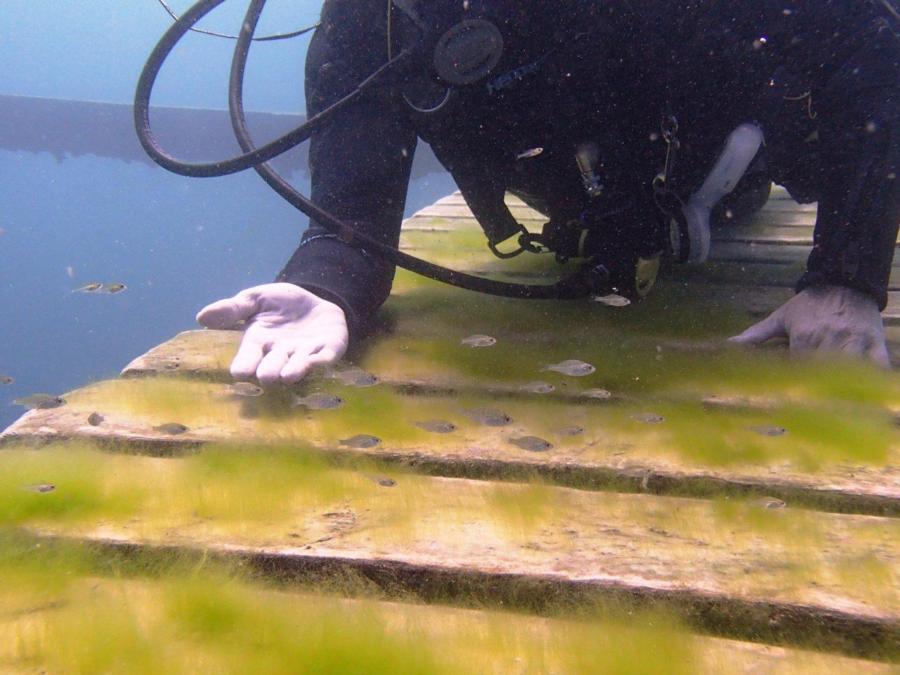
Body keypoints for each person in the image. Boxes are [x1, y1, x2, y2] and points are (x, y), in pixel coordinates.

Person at [197, 0, 899, 384]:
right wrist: (326, 287)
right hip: (586, 209)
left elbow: (871, 36)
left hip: (726, 172)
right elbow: (351, 212)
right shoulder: (378, 21)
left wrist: (846, 277)